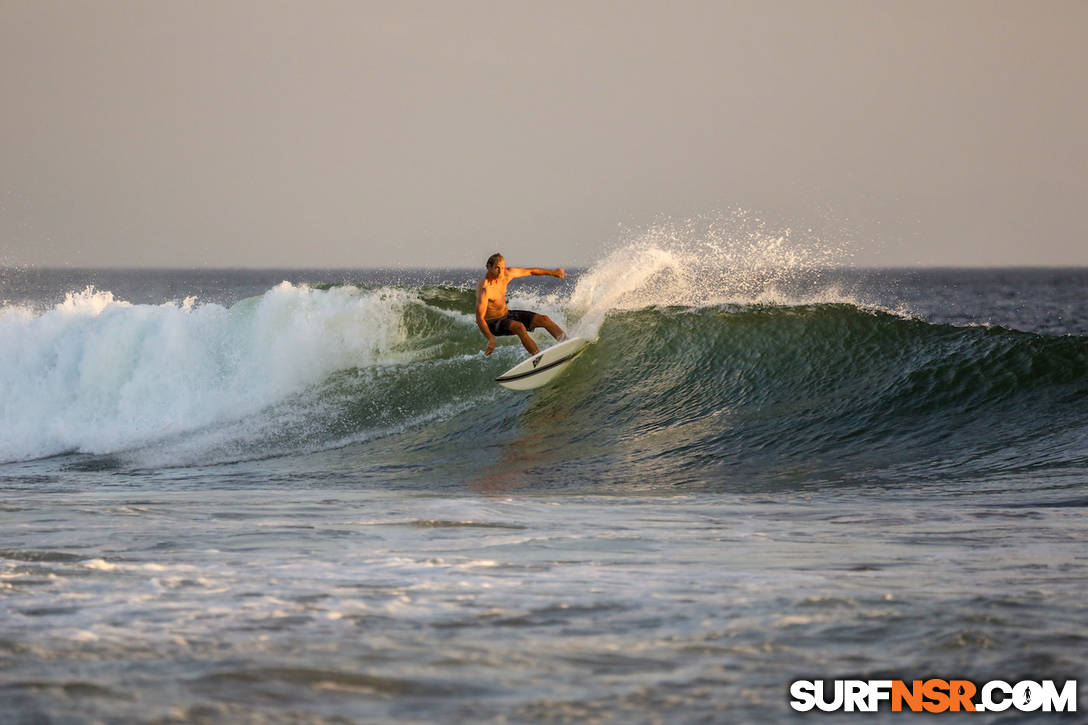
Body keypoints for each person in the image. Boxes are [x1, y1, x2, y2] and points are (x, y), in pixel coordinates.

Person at [475, 253, 566, 356]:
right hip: (493, 323)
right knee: (519, 327)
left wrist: (554, 273)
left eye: (503, 267)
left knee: (544, 319)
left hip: (506, 314)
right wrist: (491, 339)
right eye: (497, 268)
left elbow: (530, 271)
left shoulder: (507, 274)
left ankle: (567, 343)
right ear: (489, 267)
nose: (501, 271)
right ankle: (538, 358)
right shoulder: (485, 288)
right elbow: (479, 318)